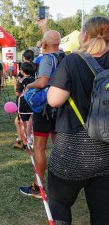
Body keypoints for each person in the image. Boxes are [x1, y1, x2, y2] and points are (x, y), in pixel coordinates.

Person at [47, 16, 109, 224]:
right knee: (103, 211)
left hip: (74, 148)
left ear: (84, 35)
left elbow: (54, 100)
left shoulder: (73, 60)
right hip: (106, 150)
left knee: (59, 202)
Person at [19, 19, 62, 198]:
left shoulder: (45, 59)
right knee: (59, 147)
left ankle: (38, 186)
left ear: (43, 45)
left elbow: (43, 81)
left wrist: (28, 87)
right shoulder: (64, 56)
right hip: (60, 106)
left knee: (39, 147)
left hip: (44, 109)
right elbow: (51, 40)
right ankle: (62, 185)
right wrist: (44, 29)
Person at [13, 62, 35, 149]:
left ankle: (25, 141)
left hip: (23, 103)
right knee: (30, 120)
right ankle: (29, 137)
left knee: (22, 122)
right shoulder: (34, 79)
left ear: (22, 71)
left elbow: (17, 94)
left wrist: (15, 85)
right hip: (32, 102)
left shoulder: (21, 81)